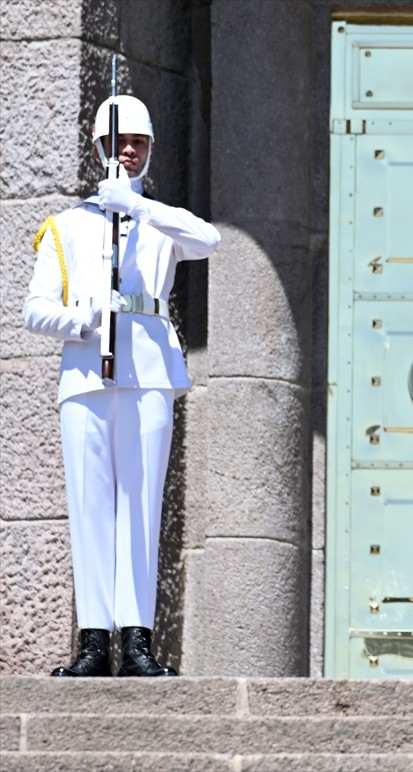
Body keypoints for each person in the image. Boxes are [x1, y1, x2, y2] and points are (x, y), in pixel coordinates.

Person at [24, 94, 220, 676]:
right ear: (97, 149)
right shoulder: (65, 226)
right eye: (117, 142)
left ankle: (136, 642)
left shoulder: (160, 221)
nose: (128, 150)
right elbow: (34, 309)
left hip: (149, 373)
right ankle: (92, 642)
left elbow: (208, 241)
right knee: (89, 508)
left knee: (141, 503)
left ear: (150, 149)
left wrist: (137, 206)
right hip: (87, 374)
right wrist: (79, 320)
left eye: (138, 142)